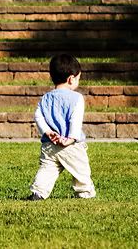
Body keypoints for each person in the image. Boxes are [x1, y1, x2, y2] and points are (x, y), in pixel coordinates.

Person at [28, 54, 96, 200]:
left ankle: (38, 193)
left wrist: (47, 131)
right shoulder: (76, 98)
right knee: (80, 170)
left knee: (47, 169)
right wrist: (71, 138)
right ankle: (85, 193)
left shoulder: (45, 97)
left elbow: (38, 116)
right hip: (71, 146)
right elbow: (75, 120)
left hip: (49, 144)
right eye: (78, 78)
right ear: (71, 79)